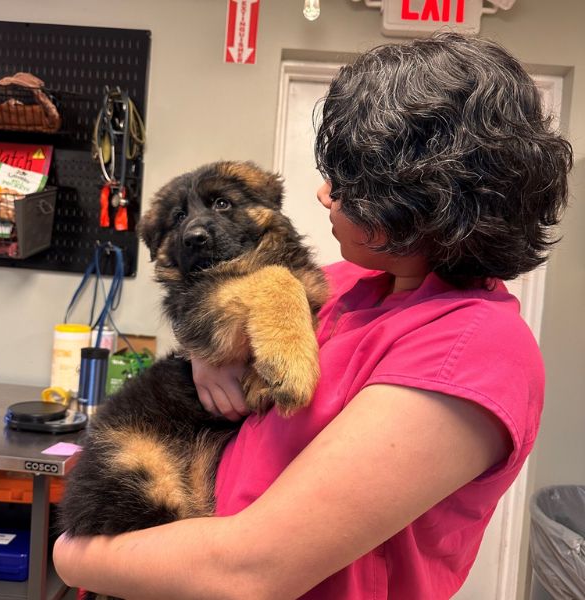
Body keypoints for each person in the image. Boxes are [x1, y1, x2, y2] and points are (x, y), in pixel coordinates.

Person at [53, 32, 572, 599]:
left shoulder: (472, 349)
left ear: (421, 197)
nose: (325, 193)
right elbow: (217, 317)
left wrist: (75, 558)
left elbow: (252, 572)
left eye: (348, 181)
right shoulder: (353, 285)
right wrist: (207, 353)